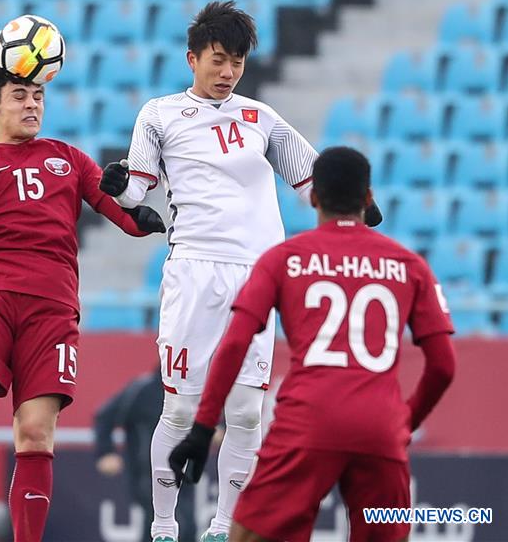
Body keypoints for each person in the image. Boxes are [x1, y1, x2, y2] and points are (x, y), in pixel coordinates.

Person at [99, 0, 382, 542]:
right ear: (193, 58)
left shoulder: (261, 118)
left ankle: (225, 526)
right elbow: (137, 186)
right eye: (219, 59)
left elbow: (312, 176)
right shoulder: (159, 115)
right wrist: (118, 184)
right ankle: (163, 525)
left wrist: (358, 210)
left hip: (256, 275)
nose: (228, 72)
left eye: (238, 63)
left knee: (248, 411)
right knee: (179, 408)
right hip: (193, 271)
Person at [0, 62, 167, 542]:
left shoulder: (70, 159)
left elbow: (122, 216)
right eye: (20, 94)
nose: (32, 103)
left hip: (53, 311)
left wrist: (141, 213)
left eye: (38, 94)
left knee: (36, 432)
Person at [169, 146, 456, 542]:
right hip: (380, 428)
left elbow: (234, 344)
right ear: (368, 197)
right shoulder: (410, 265)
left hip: (308, 422)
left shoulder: (283, 259)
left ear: (314, 197)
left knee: (248, 536)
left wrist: (202, 429)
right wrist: (403, 425)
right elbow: (443, 366)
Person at [94, 367, 197, 542]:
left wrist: (221, 430)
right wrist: (106, 452)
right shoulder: (142, 390)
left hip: (184, 476)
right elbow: (105, 417)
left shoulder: (193, 391)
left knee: (185, 526)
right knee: (165, 524)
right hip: (147, 476)